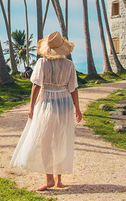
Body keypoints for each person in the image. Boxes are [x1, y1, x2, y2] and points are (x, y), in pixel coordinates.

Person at [10, 31, 82, 191]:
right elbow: (73, 89)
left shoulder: (42, 63)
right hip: (64, 102)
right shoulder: (69, 65)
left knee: (45, 141)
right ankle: (58, 180)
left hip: (47, 102)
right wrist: (77, 108)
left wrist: (31, 107)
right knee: (60, 140)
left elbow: (36, 86)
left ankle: (49, 178)